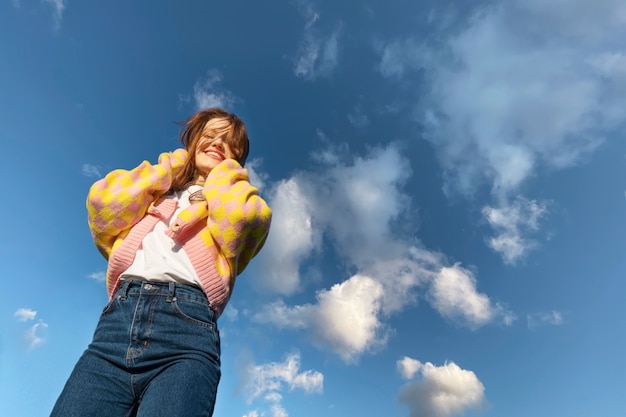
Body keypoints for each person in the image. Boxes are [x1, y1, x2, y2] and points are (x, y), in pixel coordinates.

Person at [50, 108, 272, 417]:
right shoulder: (155, 194)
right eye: (209, 136)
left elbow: (244, 220)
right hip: (117, 326)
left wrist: (223, 176)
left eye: (228, 142)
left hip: (187, 332)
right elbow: (103, 204)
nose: (217, 143)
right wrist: (172, 167)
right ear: (192, 142)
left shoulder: (231, 198)